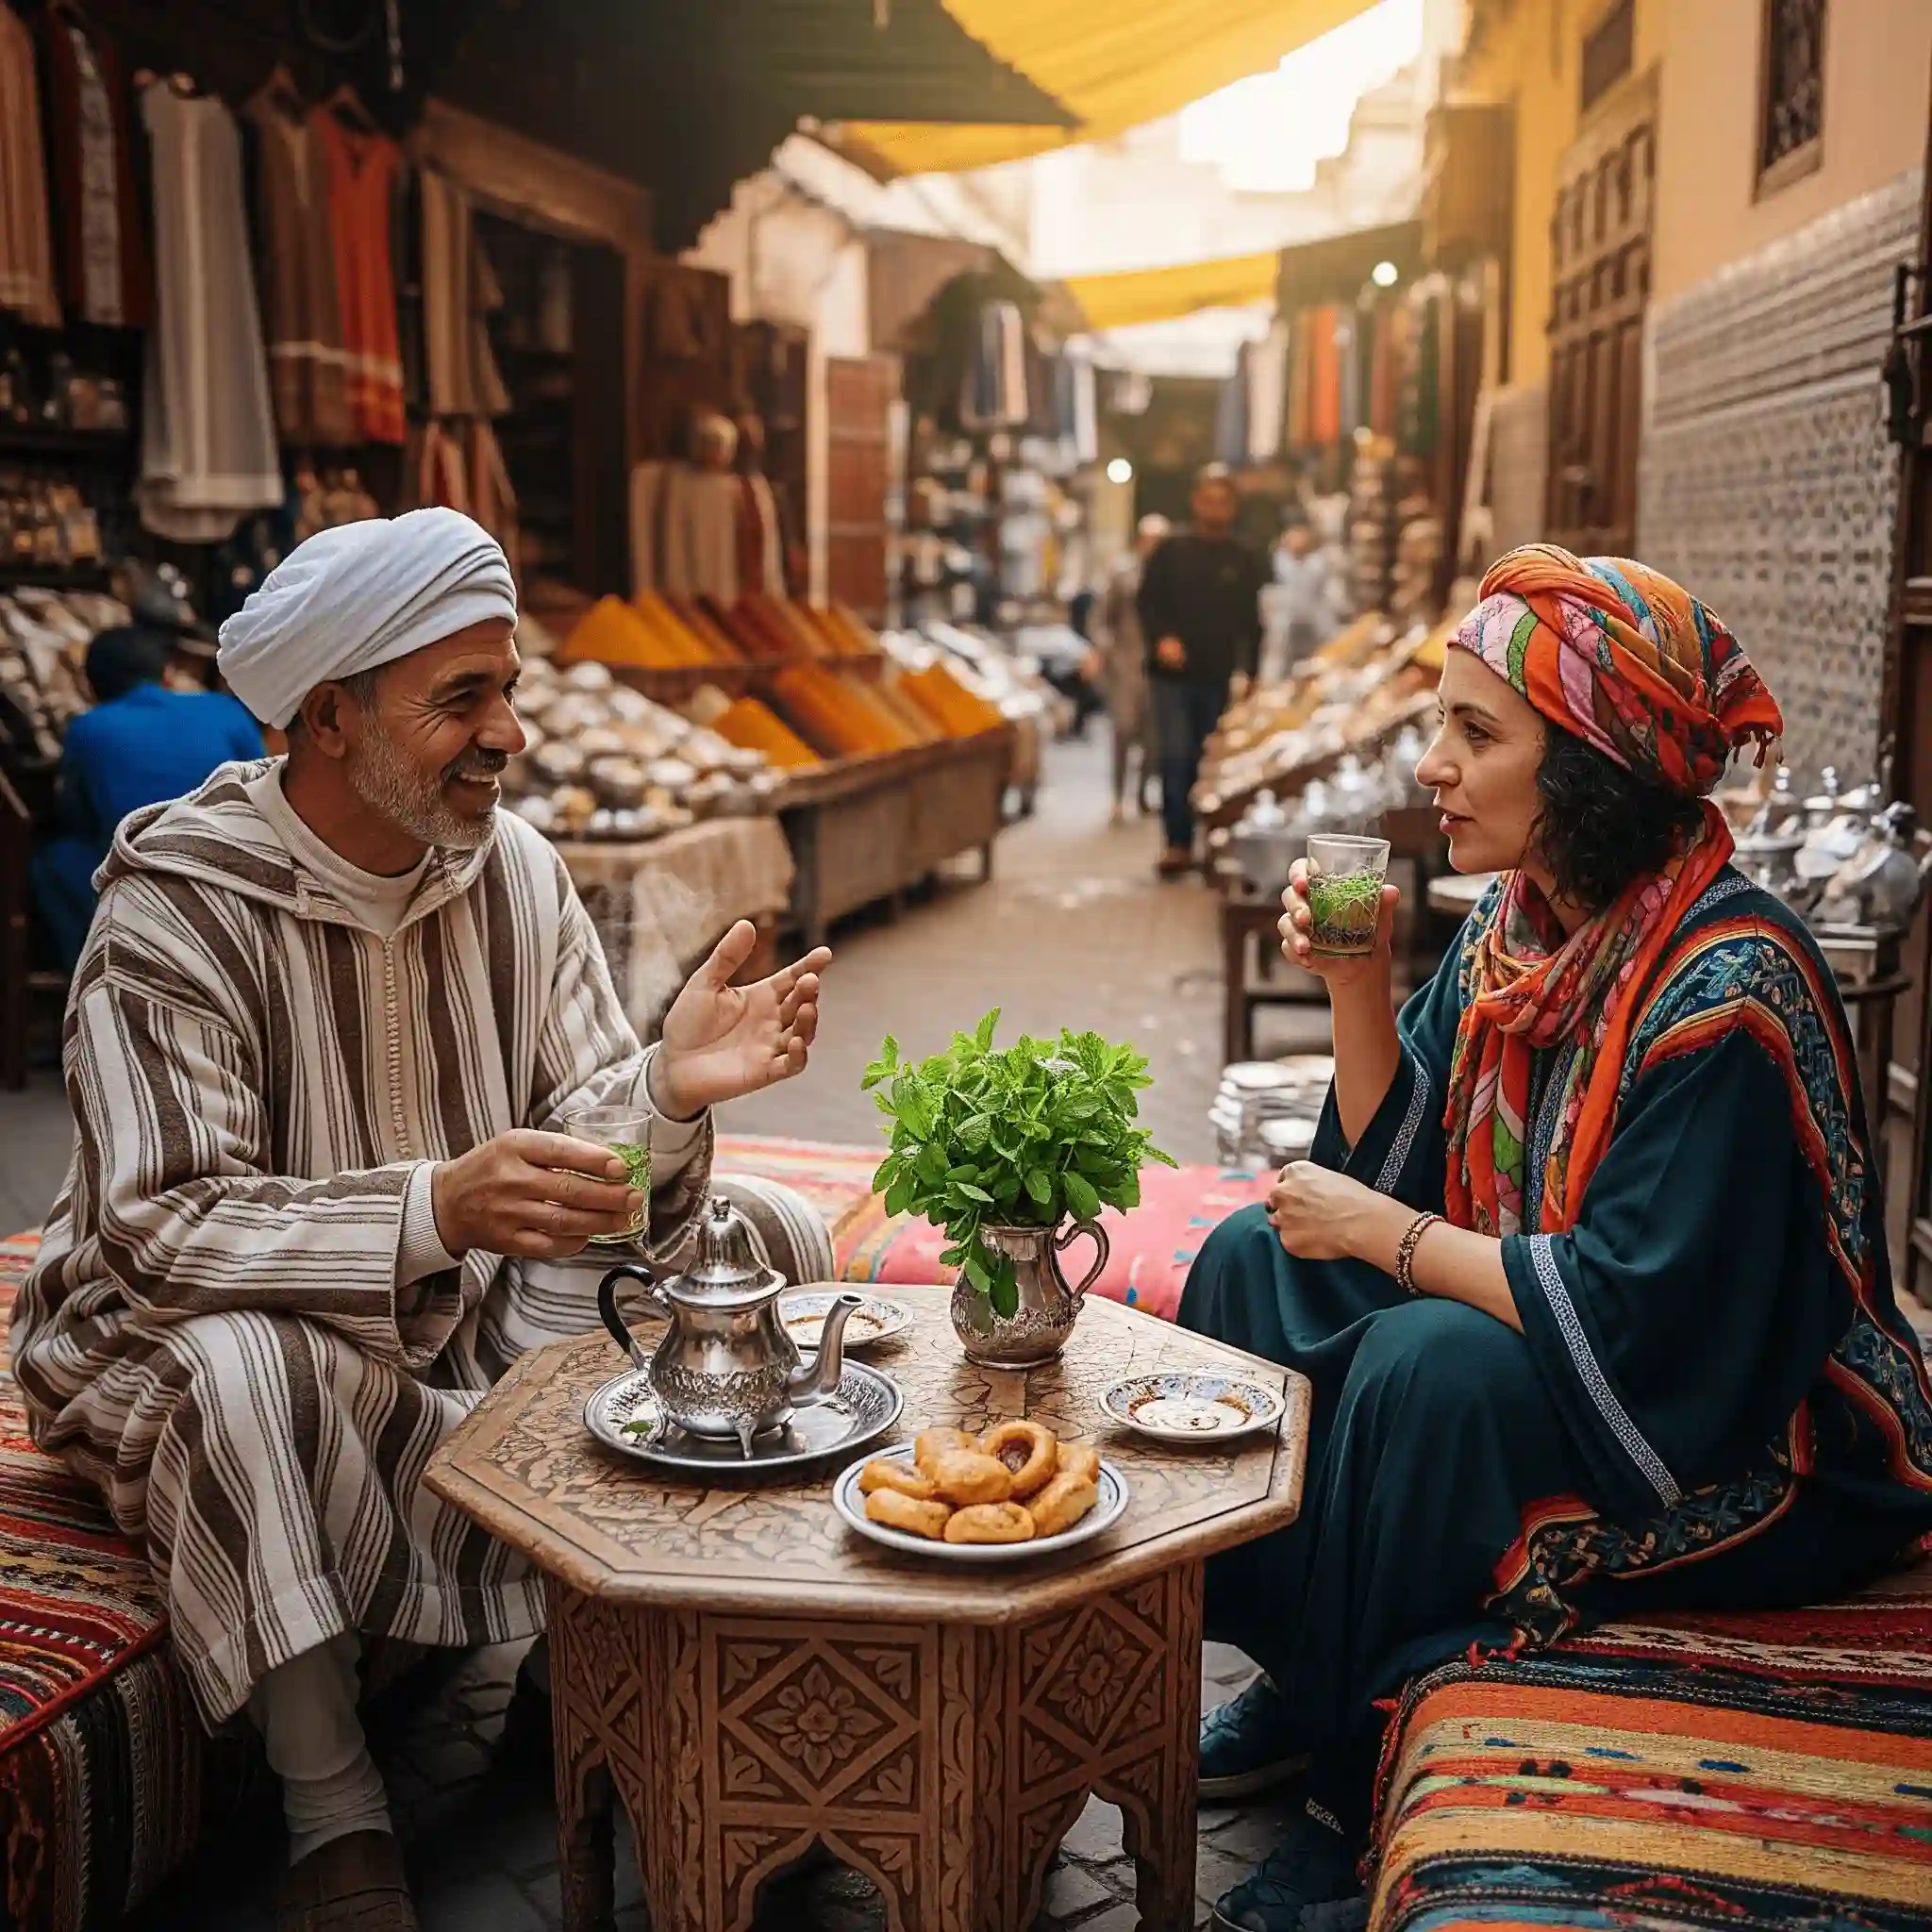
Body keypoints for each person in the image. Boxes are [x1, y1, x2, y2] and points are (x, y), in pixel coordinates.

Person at [9, 508, 839, 1932]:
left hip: (462, 1309)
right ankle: (335, 1810)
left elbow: (584, 1143)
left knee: (757, 1235)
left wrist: (666, 1092)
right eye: (462, 698)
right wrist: (433, 1208)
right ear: (330, 719)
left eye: (508, 687)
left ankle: (565, 1684)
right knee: (245, 1367)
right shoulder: (172, 918)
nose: (509, 732)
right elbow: (159, 1228)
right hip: (193, 1338)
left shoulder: (511, 868)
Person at [1180, 543, 1932, 1931]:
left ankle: (1356, 1781)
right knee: (1247, 1262)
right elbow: (1399, 1159)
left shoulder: (1731, 986)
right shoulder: (1516, 927)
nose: (1431, 765)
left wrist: (1397, 1239)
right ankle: (1305, 1665)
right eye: (1437, 725)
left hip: (1752, 1432)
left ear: (1585, 763)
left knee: (1420, 1372)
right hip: (1588, 1344)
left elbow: (1641, 1318)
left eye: (1476, 731)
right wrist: (1357, 986)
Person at [30, 620, 264, 970]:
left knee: (53, 861)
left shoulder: (88, 728)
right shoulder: (225, 710)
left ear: (91, 686)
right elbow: (262, 787)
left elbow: (76, 815)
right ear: (167, 673)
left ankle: (82, 971)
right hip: (234, 872)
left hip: (135, 877)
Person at [1138, 464, 1270, 876]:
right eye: (1208, 499)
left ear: (1232, 507)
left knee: (1210, 762)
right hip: (1172, 678)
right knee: (1175, 756)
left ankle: (1209, 842)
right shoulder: (1170, 551)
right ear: (1195, 502)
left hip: (1217, 675)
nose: (1214, 507)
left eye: (1223, 500)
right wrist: (1162, 638)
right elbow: (1148, 603)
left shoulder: (1244, 557)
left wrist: (1252, 671)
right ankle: (1177, 843)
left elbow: (1253, 620)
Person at [1088, 513, 1169, 824]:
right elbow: (1101, 619)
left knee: (1153, 737)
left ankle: (1143, 794)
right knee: (1123, 731)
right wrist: (1104, 650)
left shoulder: (1170, 578)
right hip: (1124, 663)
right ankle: (1118, 796)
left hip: (1157, 668)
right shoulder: (1122, 573)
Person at [1261, 519, 1333, 685]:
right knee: (1278, 666)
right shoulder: (1277, 563)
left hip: (1315, 626)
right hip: (1283, 626)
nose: (1298, 539)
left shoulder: (1319, 563)